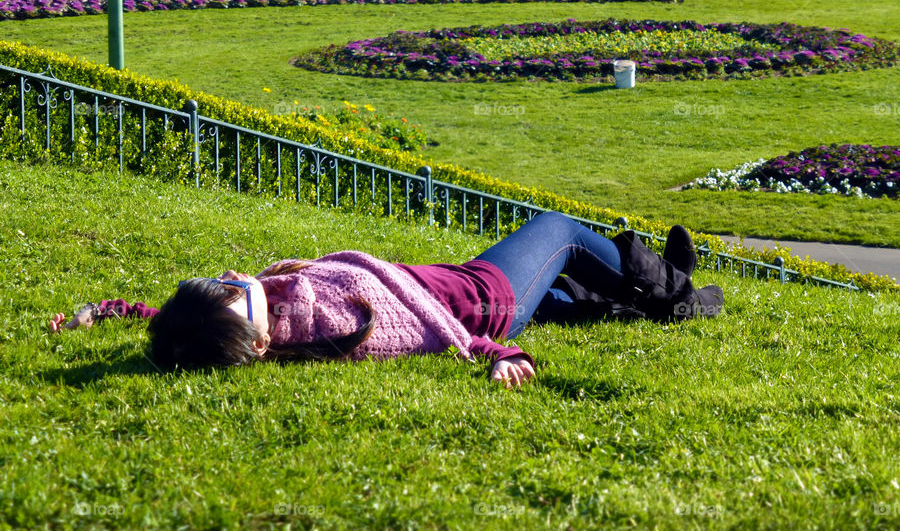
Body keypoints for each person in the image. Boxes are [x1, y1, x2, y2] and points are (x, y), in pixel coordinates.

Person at [49, 212, 723, 389]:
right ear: (255, 346)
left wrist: (119, 311)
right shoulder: (334, 321)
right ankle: (679, 294)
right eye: (233, 296)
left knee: (571, 299)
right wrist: (496, 351)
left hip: (457, 281)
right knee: (561, 234)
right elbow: (427, 326)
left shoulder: (268, 315)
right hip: (482, 300)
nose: (236, 282)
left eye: (223, 285)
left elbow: (191, 325)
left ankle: (641, 291)